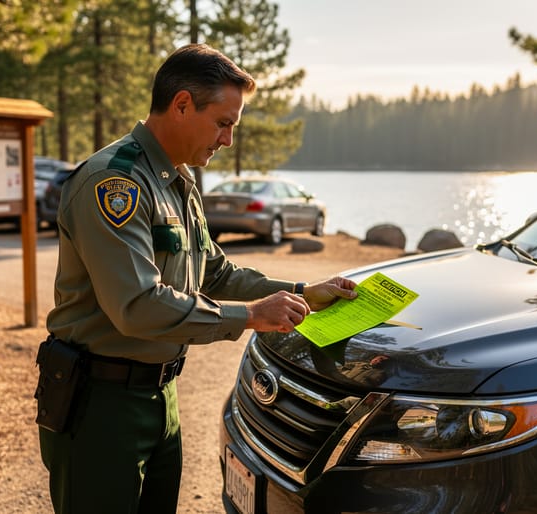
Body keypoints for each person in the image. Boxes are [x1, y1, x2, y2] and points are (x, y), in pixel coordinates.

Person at [37, 43, 358, 514]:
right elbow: (138, 305)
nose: (228, 139)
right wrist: (250, 316)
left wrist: (301, 293)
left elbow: (215, 272)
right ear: (182, 105)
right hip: (100, 407)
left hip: (160, 397)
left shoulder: (177, 181)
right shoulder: (114, 183)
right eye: (223, 123)